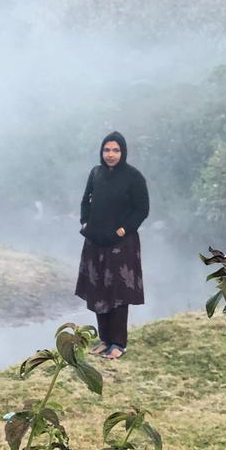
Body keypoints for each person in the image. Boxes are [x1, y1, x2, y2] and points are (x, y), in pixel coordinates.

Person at [76, 131, 149, 359]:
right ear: (101, 152)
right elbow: (86, 200)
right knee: (98, 291)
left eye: (115, 150)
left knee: (117, 293)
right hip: (95, 241)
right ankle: (104, 339)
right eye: (107, 150)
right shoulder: (96, 173)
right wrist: (86, 222)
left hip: (121, 244)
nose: (110, 155)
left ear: (123, 152)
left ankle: (118, 343)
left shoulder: (133, 177)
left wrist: (122, 230)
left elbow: (142, 209)